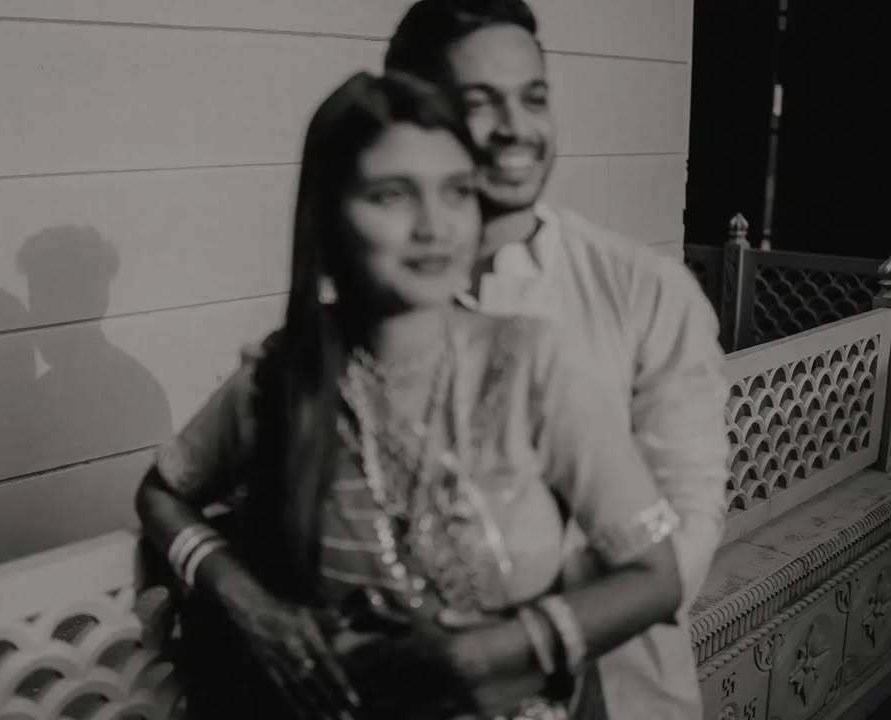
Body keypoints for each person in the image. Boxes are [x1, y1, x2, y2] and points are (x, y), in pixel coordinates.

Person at [136, 71, 684, 720]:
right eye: (393, 195)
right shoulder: (282, 378)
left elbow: (657, 577)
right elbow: (161, 493)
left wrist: (486, 655)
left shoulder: (534, 366)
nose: (436, 227)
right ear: (328, 216)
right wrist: (242, 598)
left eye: (457, 192)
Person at [385, 2, 730, 718]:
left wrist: (523, 644)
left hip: (617, 688)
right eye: (480, 102)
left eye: (533, 97)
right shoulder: (379, 299)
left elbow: (689, 525)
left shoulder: (643, 290)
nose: (516, 128)